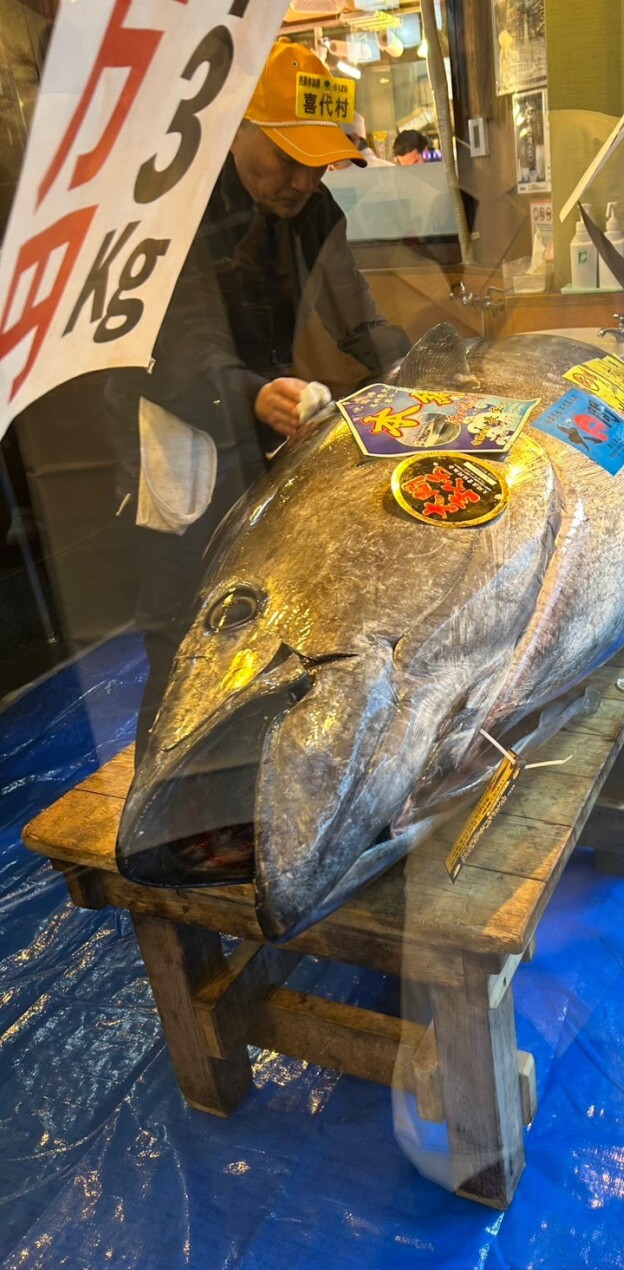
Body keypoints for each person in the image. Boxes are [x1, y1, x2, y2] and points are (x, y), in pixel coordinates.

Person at [109, 38, 410, 760]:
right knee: (185, 603)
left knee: (259, 581)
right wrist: (247, 391)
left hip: (262, 403)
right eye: (286, 158)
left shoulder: (311, 209)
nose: (302, 180)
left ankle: (247, 754)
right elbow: (186, 336)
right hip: (172, 419)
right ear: (237, 130)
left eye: (317, 162)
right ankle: (168, 761)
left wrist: (412, 369)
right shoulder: (175, 199)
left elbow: (354, 310)